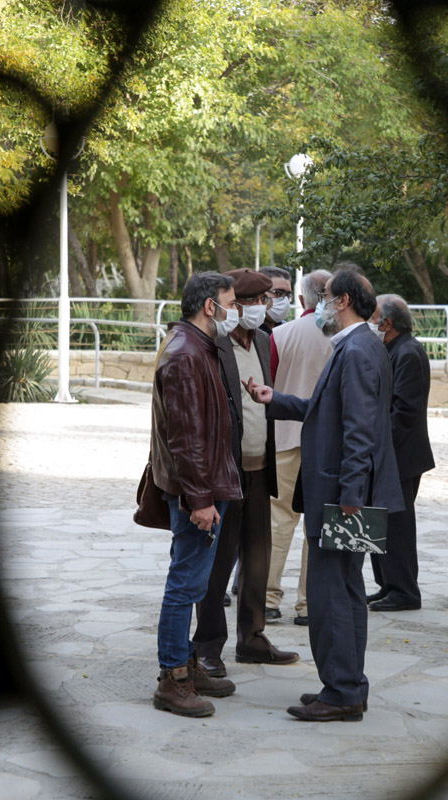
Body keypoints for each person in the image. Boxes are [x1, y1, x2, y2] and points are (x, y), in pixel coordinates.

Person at [245, 265, 403, 722]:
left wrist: (350, 494)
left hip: (343, 496)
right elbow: (326, 410)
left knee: (332, 594)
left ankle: (342, 692)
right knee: (346, 592)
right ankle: (346, 684)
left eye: (328, 296)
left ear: (344, 302)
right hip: (346, 492)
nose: (320, 306)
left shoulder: (357, 349)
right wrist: (276, 400)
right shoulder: (359, 345)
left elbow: (358, 430)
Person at [194, 269, 300, 675]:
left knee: (257, 560)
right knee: (217, 564)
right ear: (231, 305)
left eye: (262, 301)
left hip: (260, 468)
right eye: (250, 301)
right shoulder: (214, 344)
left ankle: (252, 639)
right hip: (225, 472)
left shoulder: (264, 341)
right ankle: (208, 647)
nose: (259, 308)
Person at [149, 272, 242, 717]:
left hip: (204, 485)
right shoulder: (186, 353)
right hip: (196, 491)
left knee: (192, 580)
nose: (235, 311)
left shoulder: (196, 345)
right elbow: (186, 437)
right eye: (231, 303)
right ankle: (173, 677)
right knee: (185, 583)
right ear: (210, 306)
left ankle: (185, 663)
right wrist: (200, 499)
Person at [264, 269, 333, 626]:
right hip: (327, 444)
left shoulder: (280, 334)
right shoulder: (343, 335)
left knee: (279, 521)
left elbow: (268, 384)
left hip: (285, 437)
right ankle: (309, 603)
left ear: (302, 298)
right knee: (317, 527)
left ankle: (267, 598)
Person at [366, 294, 434, 611]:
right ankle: (388, 585)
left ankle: (404, 591)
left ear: (387, 324)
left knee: (398, 527)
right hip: (391, 455)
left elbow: (404, 412)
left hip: (400, 457)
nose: (369, 323)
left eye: (373, 318)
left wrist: (377, 448)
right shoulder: (394, 348)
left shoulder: (407, 352)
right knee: (382, 523)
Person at [259, 266, 293, 332]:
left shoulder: (289, 331)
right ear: (260, 293)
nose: (285, 300)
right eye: (278, 293)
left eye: (287, 295)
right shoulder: (248, 332)